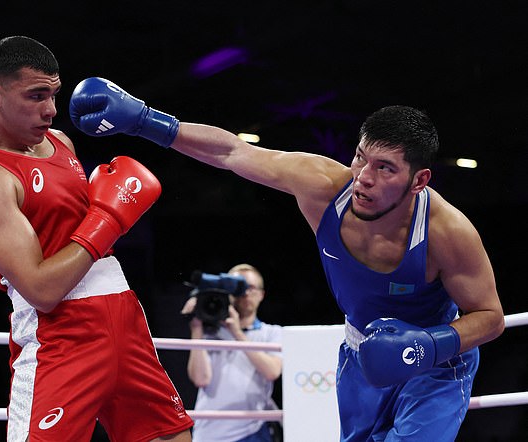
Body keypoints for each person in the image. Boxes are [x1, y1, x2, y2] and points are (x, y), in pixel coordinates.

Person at [68, 77, 506, 441]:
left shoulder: (447, 232)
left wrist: (423, 347)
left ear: (419, 180)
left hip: (435, 360)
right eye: (360, 158)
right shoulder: (323, 186)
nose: (364, 179)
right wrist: (147, 121)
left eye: (385, 169)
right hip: (360, 350)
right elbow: (233, 153)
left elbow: (490, 316)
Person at [0, 38, 193, 442]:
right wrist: (110, 217)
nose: (50, 110)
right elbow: (42, 289)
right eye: (36, 95)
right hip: (59, 334)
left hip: (123, 316)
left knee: (169, 436)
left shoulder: (60, 142)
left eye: (54, 94)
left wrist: (105, 219)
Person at [181, 264, 282, 442]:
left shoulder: (272, 332)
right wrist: (196, 327)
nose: (244, 293)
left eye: (250, 287)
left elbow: (272, 371)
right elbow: (200, 379)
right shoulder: (210, 332)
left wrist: (237, 333)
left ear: (261, 294)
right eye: (237, 287)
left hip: (251, 431)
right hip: (208, 433)